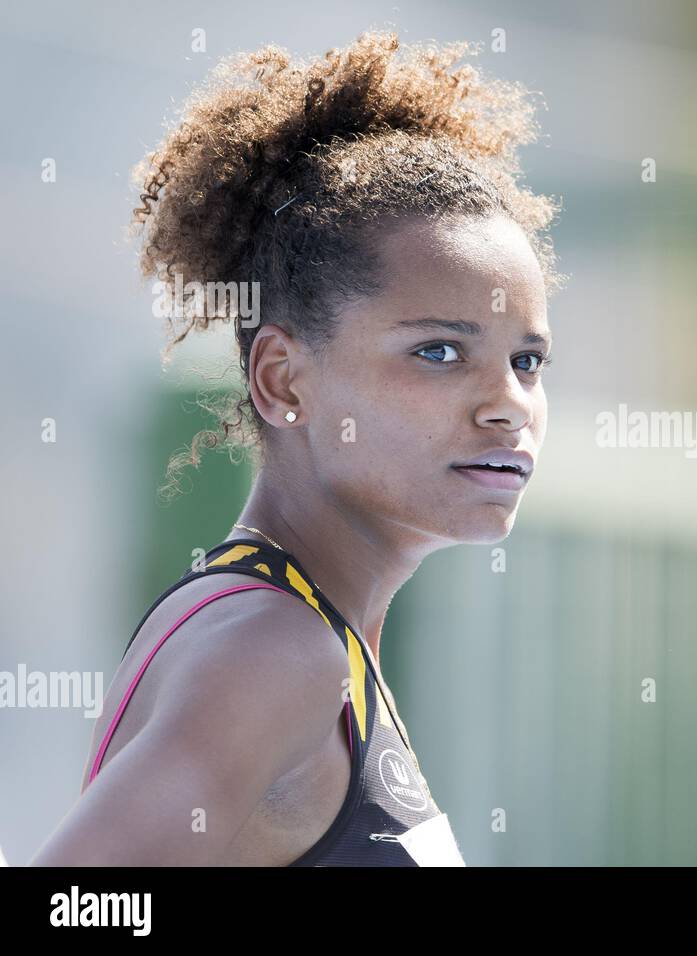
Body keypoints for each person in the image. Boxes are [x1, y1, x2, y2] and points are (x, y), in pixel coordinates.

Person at [29, 30, 561, 866]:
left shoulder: (308, 634)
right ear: (282, 381)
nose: (508, 405)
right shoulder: (276, 652)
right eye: (439, 351)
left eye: (527, 361)